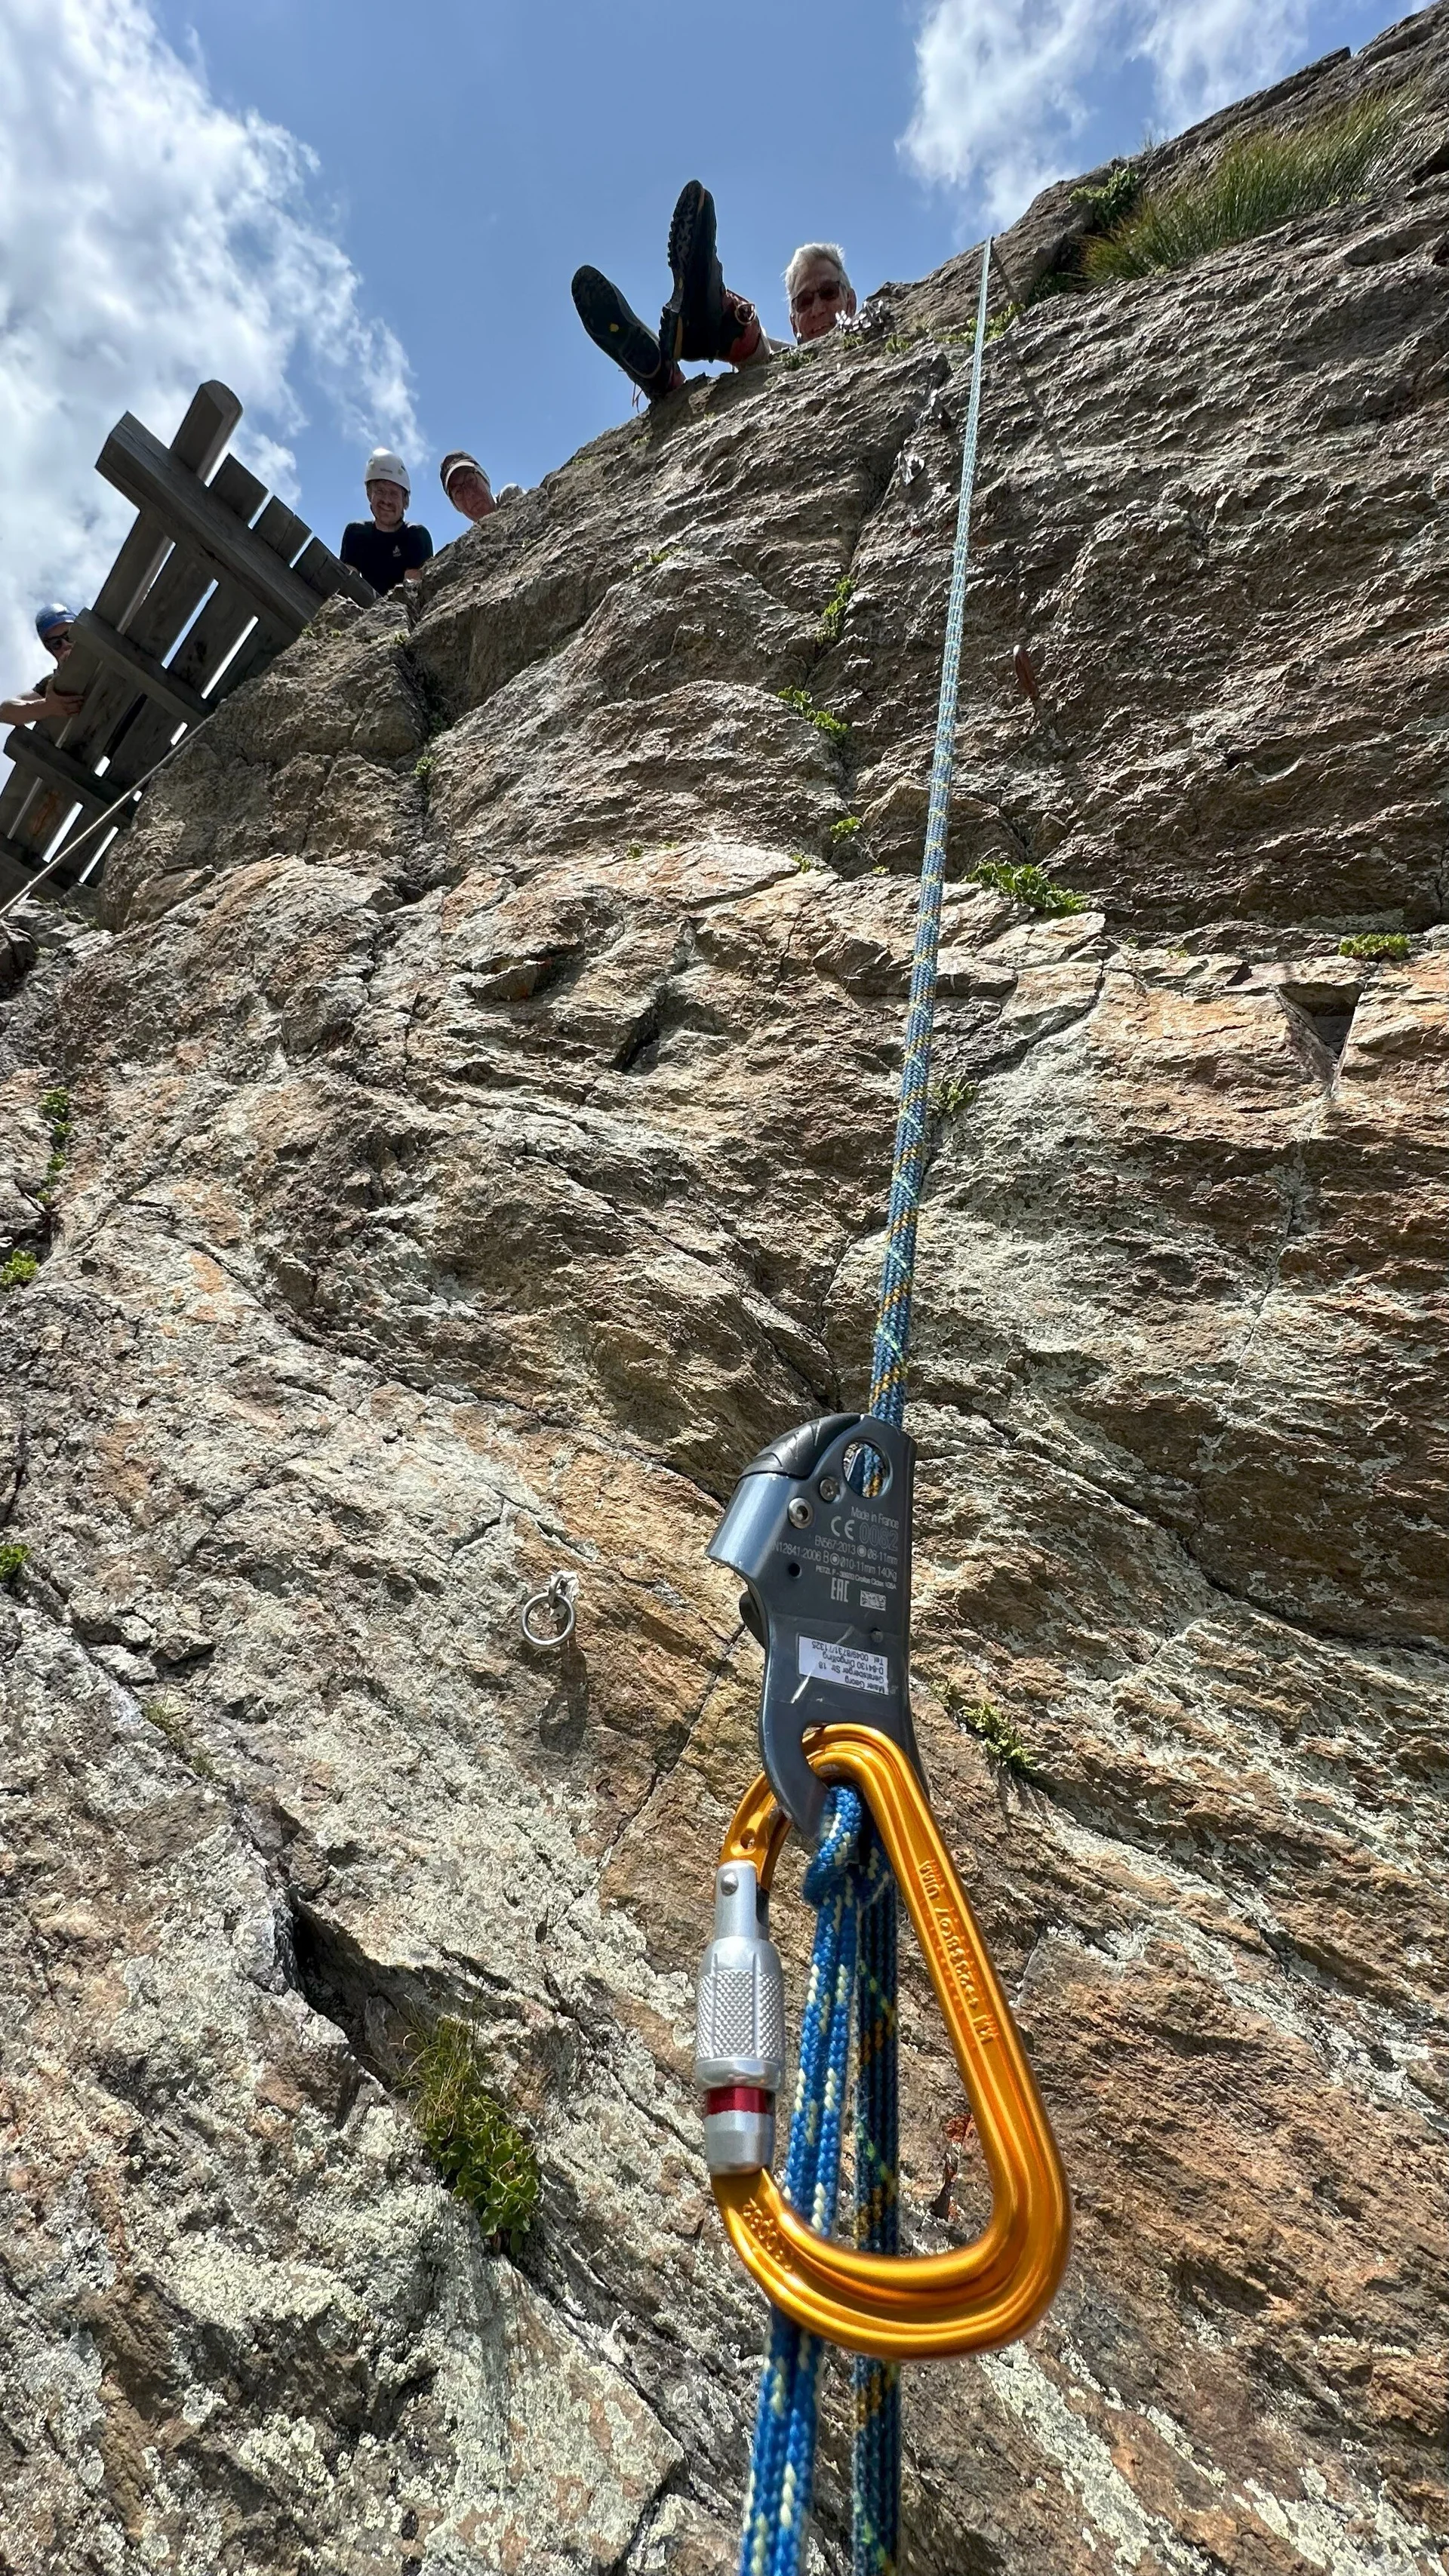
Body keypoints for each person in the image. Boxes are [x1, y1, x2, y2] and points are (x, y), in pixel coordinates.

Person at [571, 183, 855, 405]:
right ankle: (691, 347)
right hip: (770, 380)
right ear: (793, 321)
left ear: (851, 301)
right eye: (804, 301)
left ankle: (674, 366)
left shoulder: (877, 333)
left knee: (756, 353)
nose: (817, 308)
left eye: (828, 293)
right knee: (761, 357)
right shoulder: (785, 357)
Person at [340, 450, 433, 594]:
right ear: (369, 494)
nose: (386, 500)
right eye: (380, 491)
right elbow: (345, 586)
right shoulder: (356, 534)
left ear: (405, 501)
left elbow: (414, 593)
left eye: (394, 494)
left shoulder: (416, 536)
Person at [0, 605, 85, 728]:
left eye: (70, 635)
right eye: (56, 643)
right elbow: (4, 712)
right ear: (52, 652)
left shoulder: (103, 647)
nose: (65, 645)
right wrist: (47, 707)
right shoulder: (54, 685)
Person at [439, 451, 496, 523]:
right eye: (458, 492)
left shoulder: (511, 495)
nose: (470, 494)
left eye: (471, 480)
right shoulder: (475, 534)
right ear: (456, 506)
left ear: (484, 478)